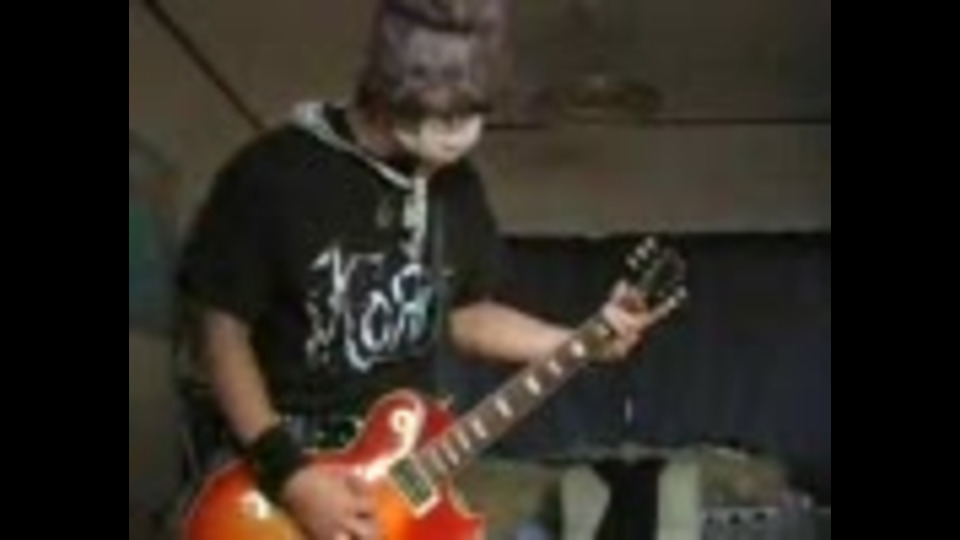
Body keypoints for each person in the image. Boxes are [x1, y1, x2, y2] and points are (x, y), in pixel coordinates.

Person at [176, 0, 676, 538]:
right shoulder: (275, 173)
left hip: (401, 473)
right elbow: (219, 333)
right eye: (443, 113)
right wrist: (292, 478)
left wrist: (581, 341)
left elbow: (465, 315)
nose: (461, 134)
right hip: (283, 471)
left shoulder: (457, 188)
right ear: (386, 88)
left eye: (473, 111)